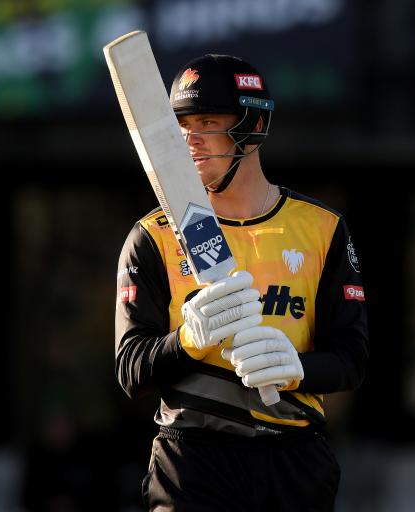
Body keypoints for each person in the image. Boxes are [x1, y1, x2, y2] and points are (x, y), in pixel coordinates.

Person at [115, 53, 369, 511]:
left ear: (250, 127)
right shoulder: (151, 235)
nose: (188, 141)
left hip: (294, 459)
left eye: (206, 122)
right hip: (193, 459)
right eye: (181, 127)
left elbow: (353, 360)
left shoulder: (323, 228)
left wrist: (297, 369)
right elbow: (131, 369)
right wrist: (188, 341)